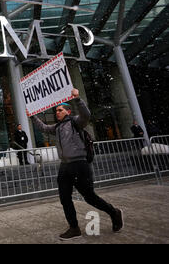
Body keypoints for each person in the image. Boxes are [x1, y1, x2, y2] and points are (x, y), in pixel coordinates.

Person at [31, 88, 123, 241]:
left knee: (90, 197)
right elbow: (43, 128)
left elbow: (86, 115)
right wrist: (33, 116)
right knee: (64, 198)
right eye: (56, 111)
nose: (57, 113)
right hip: (65, 166)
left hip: (80, 165)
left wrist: (77, 99)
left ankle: (114, 212)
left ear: (67, 111)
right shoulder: (57, 127)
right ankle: (74, 228)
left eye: (60, 110)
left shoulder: (76, 122)